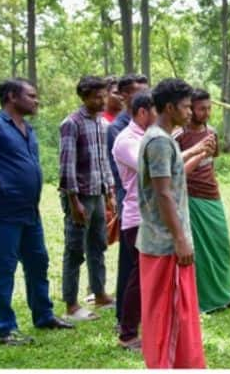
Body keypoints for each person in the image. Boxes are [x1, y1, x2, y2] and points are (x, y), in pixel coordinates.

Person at [0, 78, 74, 345]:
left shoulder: (28, 128)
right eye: (31, 95)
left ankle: (44, 315)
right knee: (2, 270)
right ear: (12, 97)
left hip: (31, 211)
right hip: (2, 211)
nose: (36, 100)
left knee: (38, 263)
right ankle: (5, 328)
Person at [136, 78, 205, 368]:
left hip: (161, 240)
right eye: (187, 107)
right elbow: (163, 193)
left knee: (174, 314)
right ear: (169, 107)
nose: (190, 112)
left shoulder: (161, 138)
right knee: (172, 315)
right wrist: (180, 238)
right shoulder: (160, 142)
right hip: (165, 244)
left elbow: (171, 185)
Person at [175, 89, 230, 313]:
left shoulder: (211, 133)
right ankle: (203, 300)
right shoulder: (179, 136)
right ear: (191, 109)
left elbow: (211, 163)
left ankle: (224, 294)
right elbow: (175, 170)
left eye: (208, 108)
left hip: (211, 195)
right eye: (200, 108)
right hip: (191, 196)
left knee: (220, 245)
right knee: (201, 251)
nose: (205, 113)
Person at [59, 75, 116, 321]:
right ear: (84, 97)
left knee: (98, 245)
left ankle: (100, 293)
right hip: (79, 196)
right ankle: (71, 305)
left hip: (98, 194)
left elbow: (104, 162)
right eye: (97, 96)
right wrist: (74, 202)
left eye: (104, 95)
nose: (102, 100)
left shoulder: (101, 123)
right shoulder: (72, 123)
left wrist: (110, 194)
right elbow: (66, 166)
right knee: (75, 250)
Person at [111, 90, 156, 350]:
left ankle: (145, 327)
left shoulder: (148, 136)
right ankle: (127, 334)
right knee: (139, 277)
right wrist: (194, 150)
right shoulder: (127, 140)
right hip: (137, 217)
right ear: (142, 113)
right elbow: (152, 167)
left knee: (147, 276)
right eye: (155, 111)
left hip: (150, 216)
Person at [106, 74, 149, 328]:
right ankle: (124, 318)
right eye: (137, 92)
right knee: (131, 267)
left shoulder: (147, 128)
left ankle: (135, 316)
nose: (143, 96)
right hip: (130, 201)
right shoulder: (118, 129)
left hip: (144, 202)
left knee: (138, 266)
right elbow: (127, 171)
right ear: (124, 97)